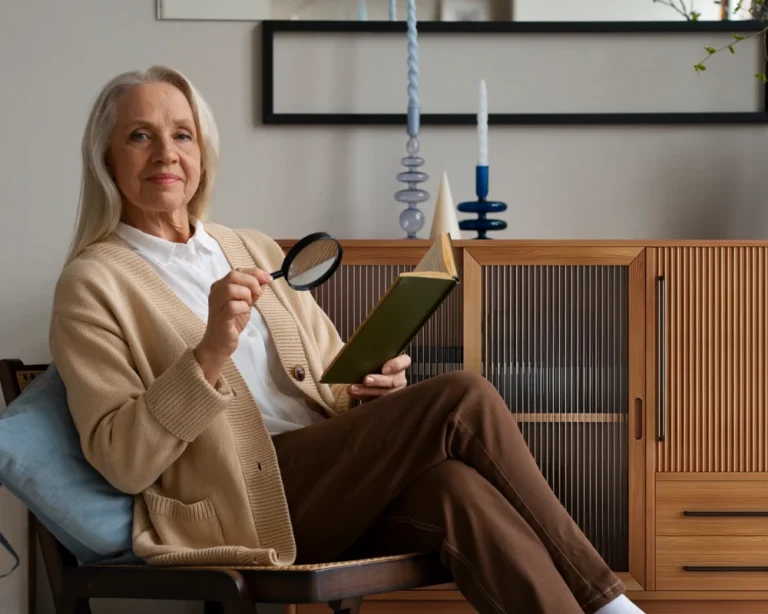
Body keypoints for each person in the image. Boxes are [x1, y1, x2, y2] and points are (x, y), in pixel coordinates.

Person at [49, 65, 644, 614]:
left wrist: (372, 394)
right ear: (107, 155)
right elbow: (119, 461)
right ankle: (609, 603)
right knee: (461, 396)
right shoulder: (93, 282)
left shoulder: (250, 248)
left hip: (328, 480)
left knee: (454, 488)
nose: (165, 153)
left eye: (182, 135)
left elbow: (331, 381)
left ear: (202, 153)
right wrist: (207, 353)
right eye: (139, 136)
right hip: (240, 503)